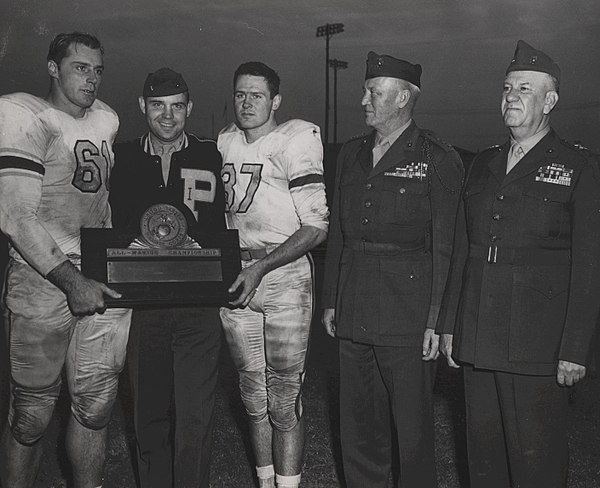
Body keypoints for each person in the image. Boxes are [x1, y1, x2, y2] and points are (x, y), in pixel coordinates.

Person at [438, 40, 600, 488]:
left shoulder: (578, 167)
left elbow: (590, 266)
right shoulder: (484, 164)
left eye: (524, 89)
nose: (510, 96)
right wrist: (451, 324)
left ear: (550, 101)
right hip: (479, 337)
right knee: (483, 463)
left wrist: (574, 348)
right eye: (507, 87)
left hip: (538, 345)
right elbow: (463, 249)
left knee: (537, 466)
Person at [321, 52, 464, 488]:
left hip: (408, 314)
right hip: (355, 309)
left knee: (412, 434)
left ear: (403, 98)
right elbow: (340, 236)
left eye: (374, 92)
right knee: (359, 429)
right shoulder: (350, 154)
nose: (364, 99)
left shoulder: (435, 157)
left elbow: (448, 246)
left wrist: (437, 320)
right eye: (366, 90)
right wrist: (331, 301)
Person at [0, 32, 131, 488]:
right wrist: (72, 281)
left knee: (95, 408)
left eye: (98, 69)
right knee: (31, 416)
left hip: (98, 267)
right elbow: (15, 217)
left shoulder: (108, 119)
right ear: (53, 68)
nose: (92, 78)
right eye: (80, 67)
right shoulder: (22, 114)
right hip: (43, 275)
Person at [109, 68, 226, 488]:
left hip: (198, 305)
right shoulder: (119, 156)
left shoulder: (214, 153)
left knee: (195, 416)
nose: (167, 116)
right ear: (143, 106)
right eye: (157, 106)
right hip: (144, 307)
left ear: (189, 109)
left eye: (177, 107)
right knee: (149, 415)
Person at [217, 61, 328, 488]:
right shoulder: (226, 141)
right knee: (251, 394)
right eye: (240, 95)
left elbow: (316, 226)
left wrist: (262, 266)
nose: (247, 103)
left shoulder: (296, 137)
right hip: (237, 273)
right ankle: (265, 482)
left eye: (257, 96)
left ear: (276, 101)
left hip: (282, 276)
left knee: (283, 399)